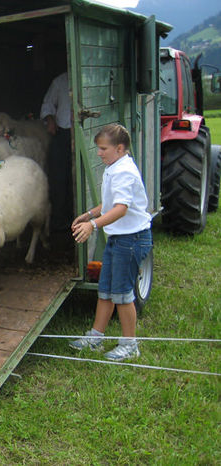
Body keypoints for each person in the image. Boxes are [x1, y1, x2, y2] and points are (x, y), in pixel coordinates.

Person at [69, 123, 153, 362]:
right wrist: (89, 215)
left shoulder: (124, 171)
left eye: (103, 148)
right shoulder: (113, 166)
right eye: (97, 148)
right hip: (118, 238)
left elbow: (121, 209)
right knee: (105, 290)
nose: (98, 153)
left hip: (132, 239)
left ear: (119, 148)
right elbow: (109, 204)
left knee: (123, 294)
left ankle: (130, 345)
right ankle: (96, 337)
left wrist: (93, 226)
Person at [40, 71, 73, 232]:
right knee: (58, 177)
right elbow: (47, 104)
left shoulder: (89, 77)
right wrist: (50, 120)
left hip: (83, 134)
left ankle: (76, 215)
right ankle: (59, 220)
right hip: (63, 133)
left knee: (75, 179)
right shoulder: (60, 81)